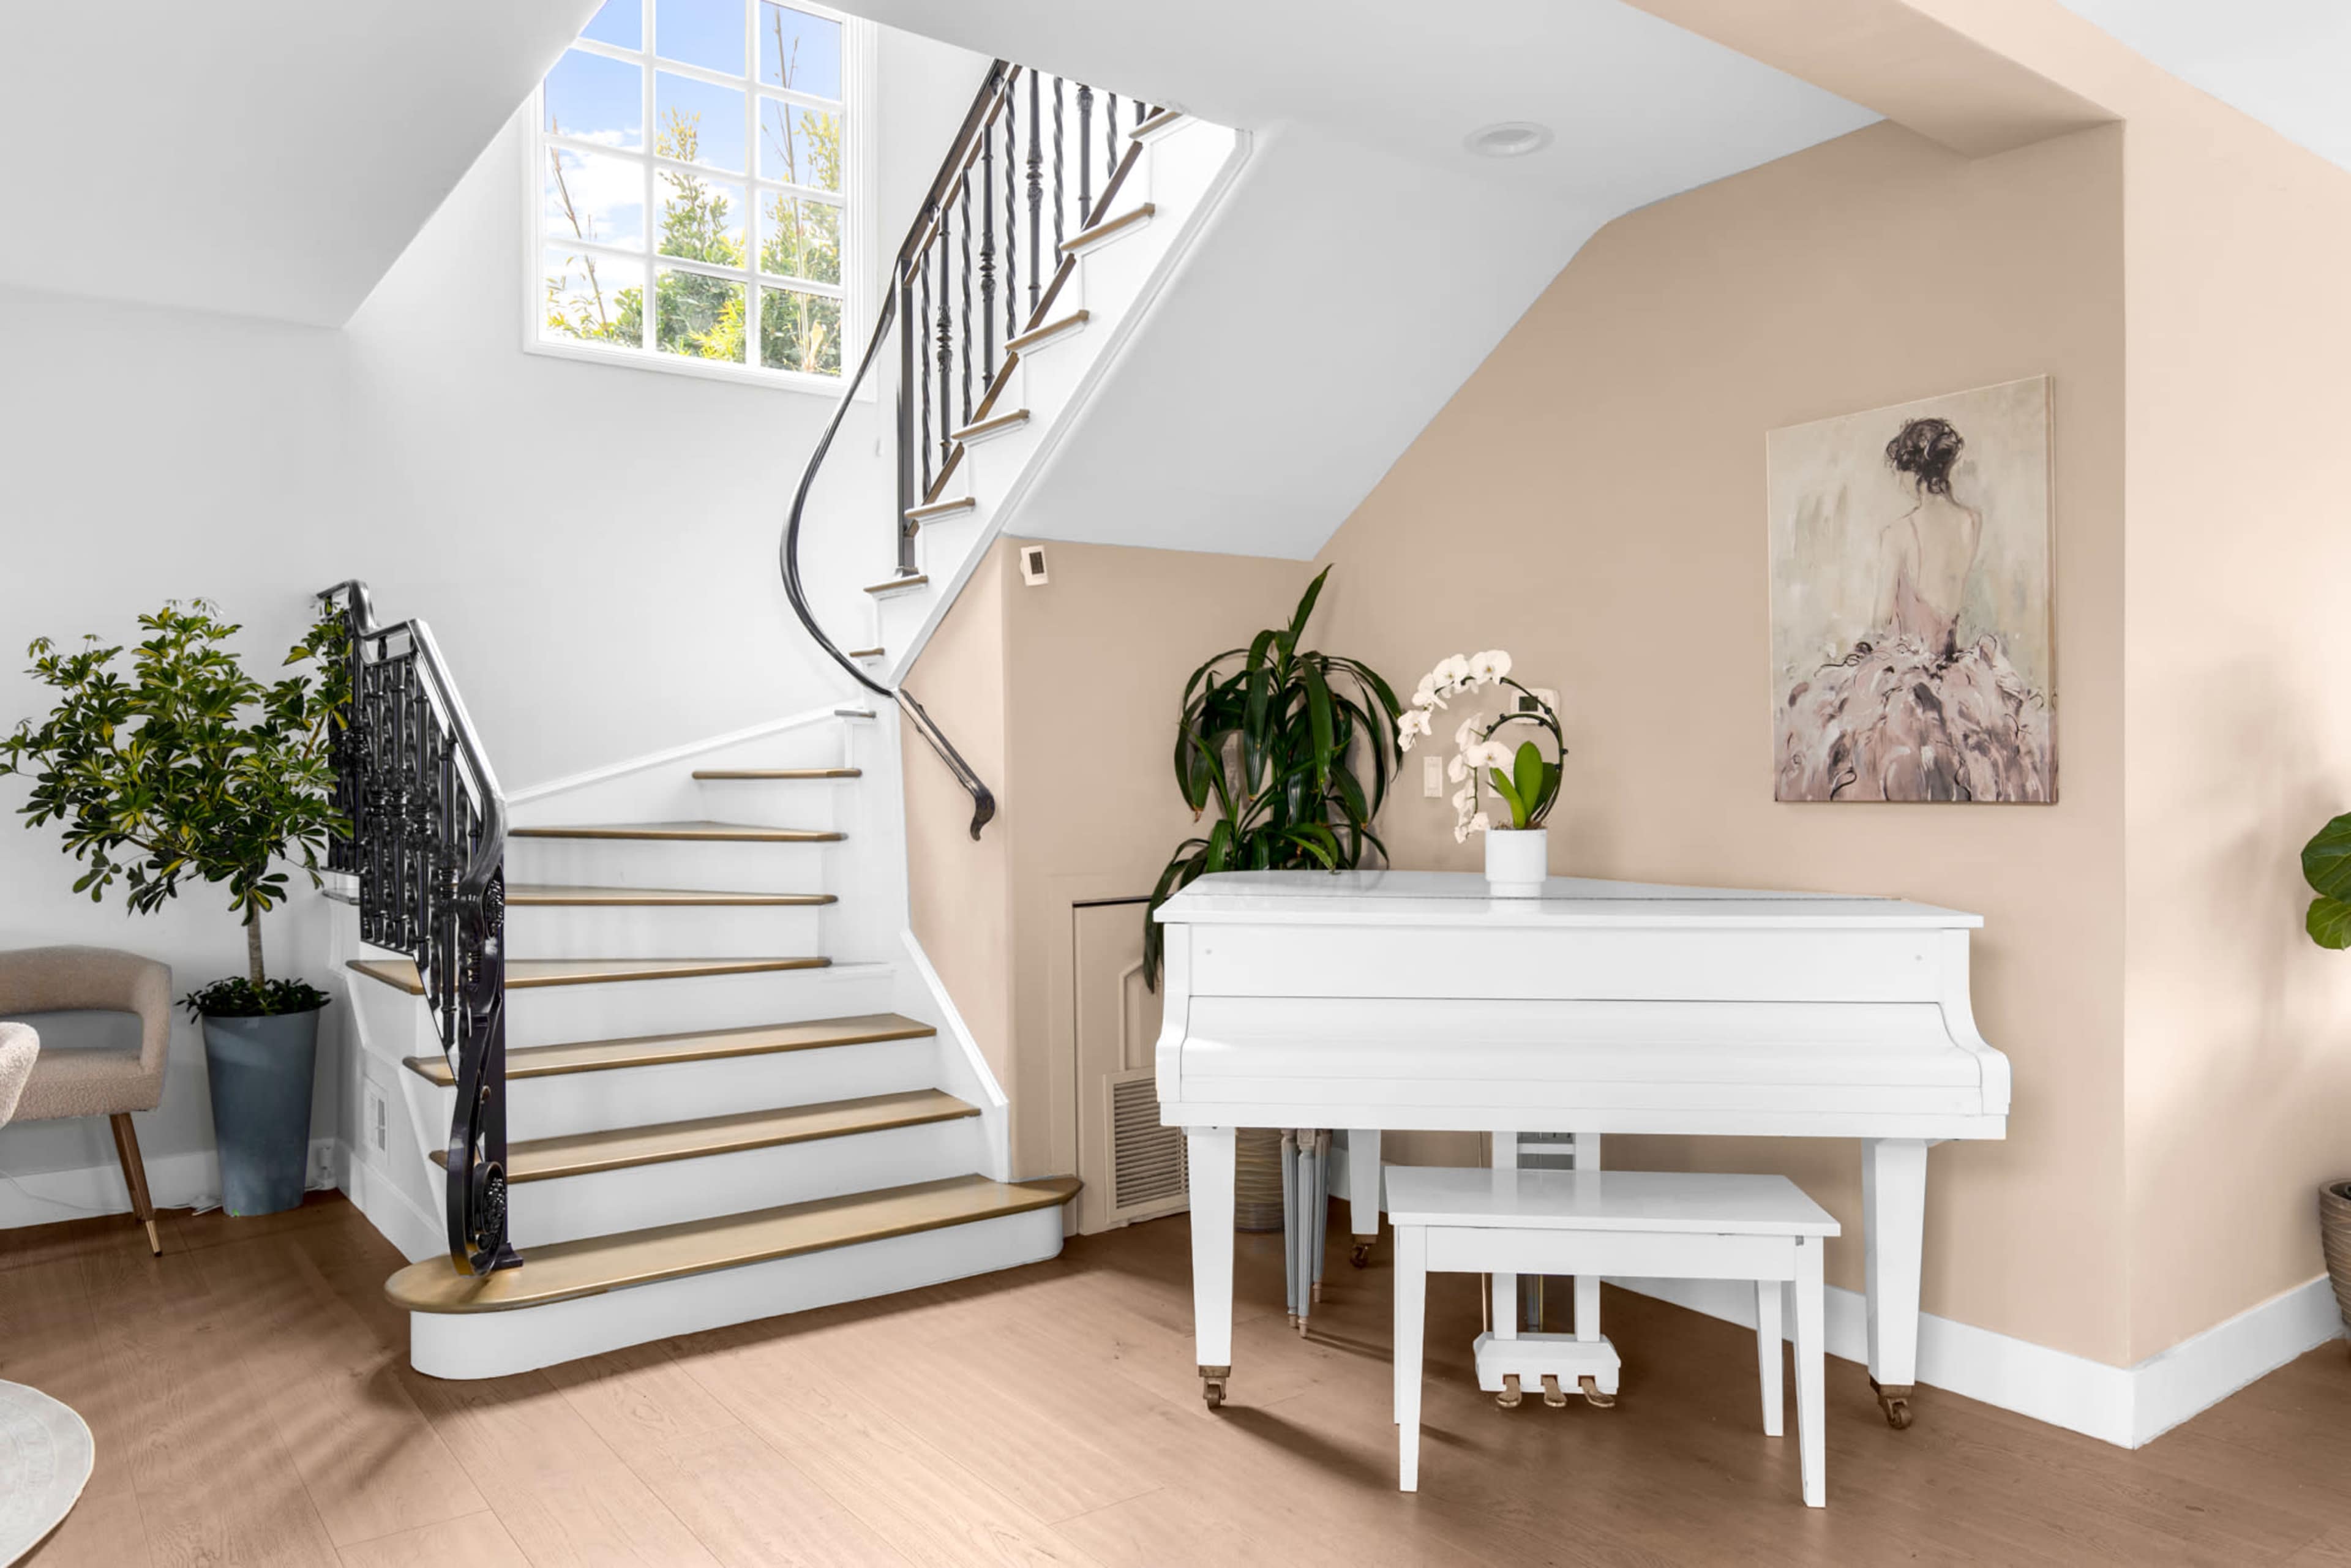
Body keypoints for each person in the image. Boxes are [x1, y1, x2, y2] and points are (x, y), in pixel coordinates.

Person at [1777, 417, 2053, 802]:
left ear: (1913, 471)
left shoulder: (1899, 534)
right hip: (1958, 672)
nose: (1900, 482)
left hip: (1904, 672)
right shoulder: (1972, 522)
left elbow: (1879, 618)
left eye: (1902, 472)